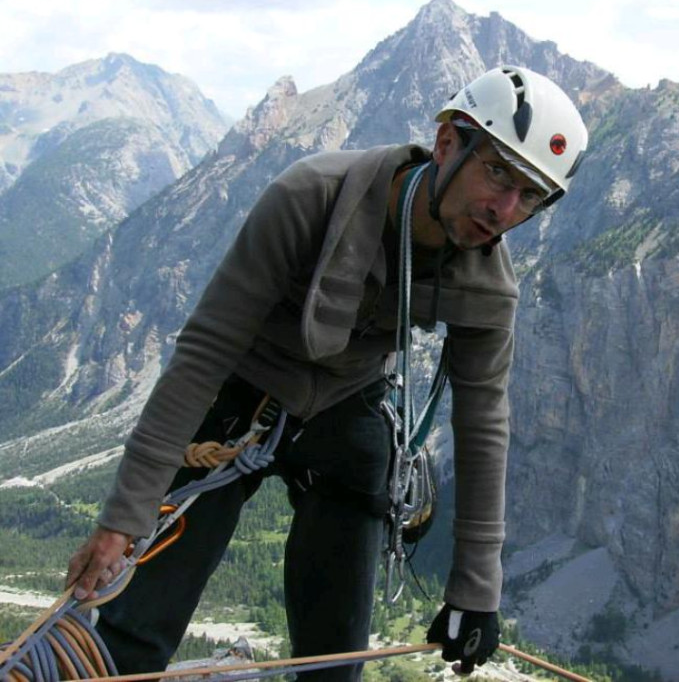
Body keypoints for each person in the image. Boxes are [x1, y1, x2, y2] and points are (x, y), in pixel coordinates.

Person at [66, 66, 588, 679]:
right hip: (237, 394)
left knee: (334, 662)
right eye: (497, 172)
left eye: (531, 195)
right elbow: (205, 351)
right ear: (447, 143)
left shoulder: (487, 286)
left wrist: (476, 591)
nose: (504, 208)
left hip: (349, 403)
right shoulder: (312, 196)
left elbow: (483, 425)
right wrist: (123, 518)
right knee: (130, 637)